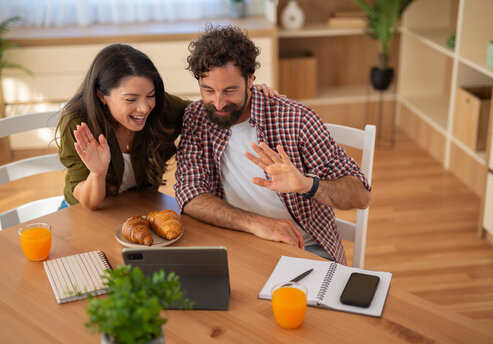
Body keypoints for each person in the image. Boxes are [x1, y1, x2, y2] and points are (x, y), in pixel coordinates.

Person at [174, 26, 371, 264]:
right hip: (237, 240)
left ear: (250, 80)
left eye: (230, 90)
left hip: (304, 249)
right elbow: (190, 193)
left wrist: (308, 184)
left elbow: (361, 196)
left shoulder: (296, 119)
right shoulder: (197, 117)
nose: (218, 103)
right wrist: (257, 224)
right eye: (208, 90)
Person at [57, 43, 279, 210]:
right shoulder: (78, 125)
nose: (144, 108)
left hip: (136, 208)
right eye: (131, 99)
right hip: (86, 212)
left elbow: (212, 111)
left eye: (151, 95)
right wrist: (97, 173)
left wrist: (246, 92)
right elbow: (88, 204)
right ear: (101, 95)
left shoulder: (163, 109)